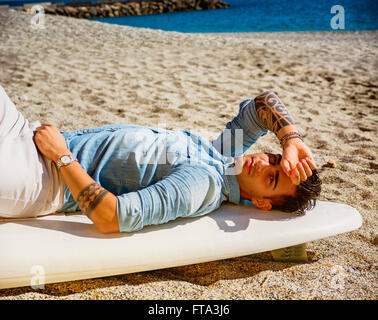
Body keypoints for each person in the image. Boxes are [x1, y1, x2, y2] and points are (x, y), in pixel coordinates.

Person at [0, 85, 321, 233]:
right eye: (274, 159)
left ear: (263, 203)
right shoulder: (225, 153)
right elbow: (263, 103)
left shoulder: (204, 185)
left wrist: (62, 157)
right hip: (28, 133)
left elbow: (112, 217)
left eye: (272, 178)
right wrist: (291, 140)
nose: (263, 163)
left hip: (43, 179)